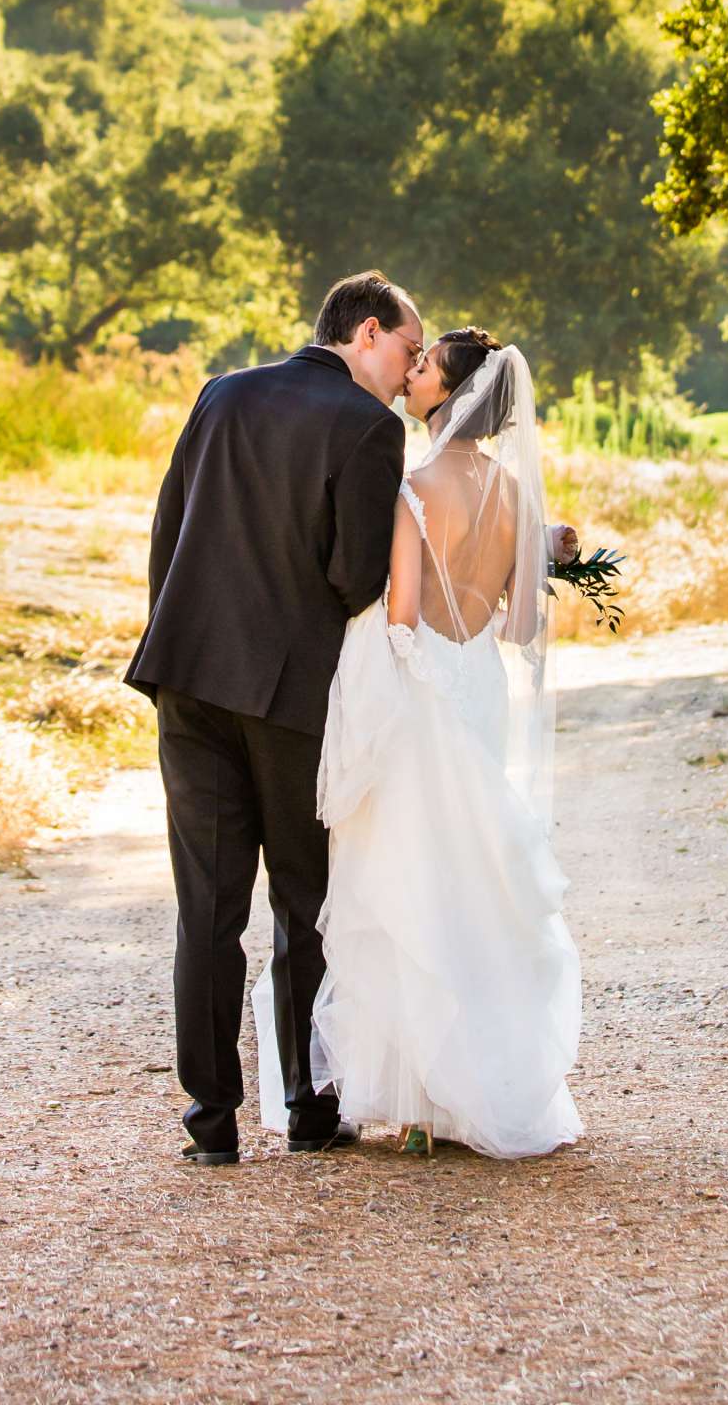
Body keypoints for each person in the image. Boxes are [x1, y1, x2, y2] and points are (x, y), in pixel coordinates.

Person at [252, 327, 583, 1158]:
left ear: (454, 391)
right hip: (478, 682)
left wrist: (385, 689)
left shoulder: (414, 487)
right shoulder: (516, 495)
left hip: (423, 684)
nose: (415, 375)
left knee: (407, 879)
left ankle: (419, 1101)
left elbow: (399, 619)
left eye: (428, 367)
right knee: (473, 875)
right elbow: (521, 622)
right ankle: (480, 1084)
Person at [126, 270, 424, 1166]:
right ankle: (306, 1106)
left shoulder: (222, 393)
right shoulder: (369, 429)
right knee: (305, 904)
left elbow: (168, 530)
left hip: (189, 679)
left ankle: (210, 1122)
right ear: (366, 333)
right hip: (293, 697)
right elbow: (353, 579)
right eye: (409, 352)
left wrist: (180, 638)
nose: (412, 376)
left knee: (208, 911)